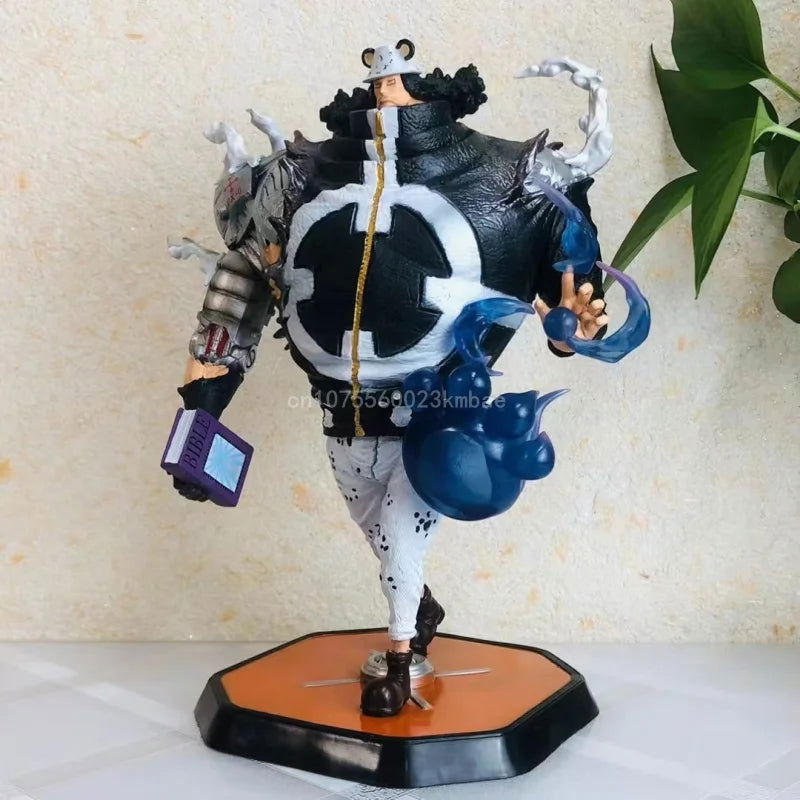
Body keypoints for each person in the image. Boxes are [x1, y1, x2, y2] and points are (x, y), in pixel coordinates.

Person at [170, 40, 609, 717]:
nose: (386, 78)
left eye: (401, 66)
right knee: (375, 529)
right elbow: (237, 294)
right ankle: (420, 604)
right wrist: (201, 417)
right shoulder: (291, 179)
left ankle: (398, 663)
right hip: (340, 416)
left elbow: (569, 304)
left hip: (434, 422)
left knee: (401, 541)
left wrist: (574, 326)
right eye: (377, 67)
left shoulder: (516, 179)